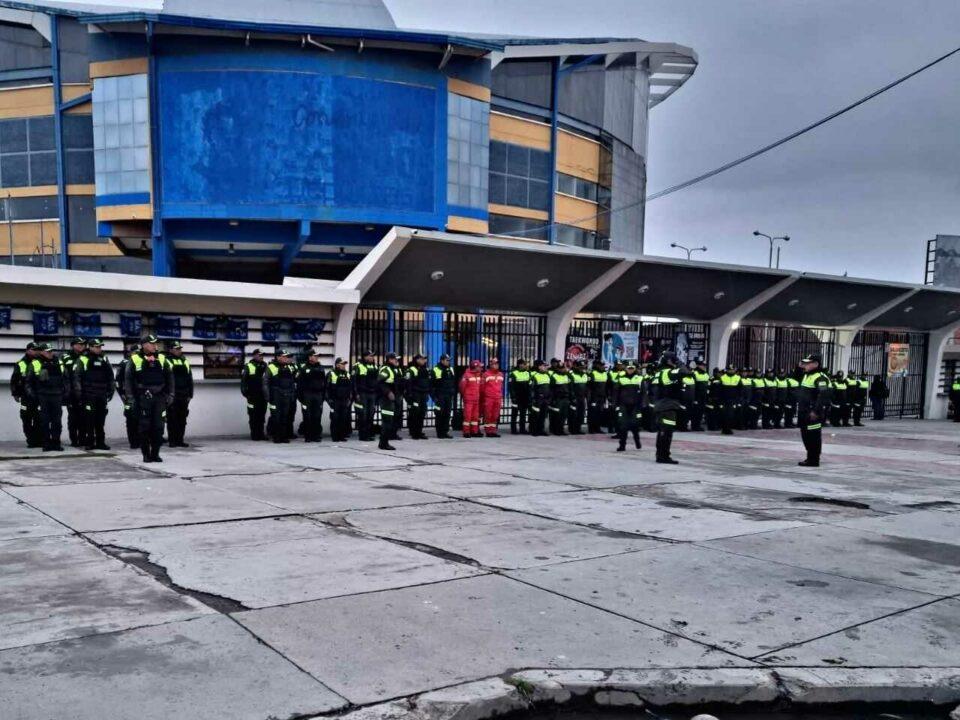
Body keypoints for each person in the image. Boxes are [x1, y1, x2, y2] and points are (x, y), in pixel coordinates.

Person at [125, 336, 174, 463]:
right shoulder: (135, 359)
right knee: (144, 428)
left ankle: (155, 454)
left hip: (159, 398)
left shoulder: (162, 358)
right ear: (144, 345)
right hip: (142, 398)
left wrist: (170, 395)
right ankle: (146, 454)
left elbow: (170, 378)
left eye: (155, 343)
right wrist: (130, 398)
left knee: (159, 427)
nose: (155, 346)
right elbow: (128, 380)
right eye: (152, 344)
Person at [27, 342, 69, 452]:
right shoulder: (35, 363)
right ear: (41, 352)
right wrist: (34, 396)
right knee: (44, 421)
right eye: (47, 351)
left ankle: (56, 443)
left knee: (57, 422)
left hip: (56, 395)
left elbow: (66, 379)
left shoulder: (59, 362)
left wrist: (65, 392)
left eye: (51, 351)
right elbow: (28, 382)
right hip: (43, 396)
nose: (50, 353)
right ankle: (46, 444)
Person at [74, 338, 114, 450]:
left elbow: (110, 376)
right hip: (89, 394)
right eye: (96, 347)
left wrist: (111, 390)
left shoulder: (104, 359)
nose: (99, 349)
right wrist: (79, 394)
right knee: (89, 420)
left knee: (101, 420)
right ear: (90, 347)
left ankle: (101, 442)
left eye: (100, 346)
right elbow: (77, 378)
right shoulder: (83, 359)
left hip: (102, 394)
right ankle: (90, 442)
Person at [796, 353, 832, 467]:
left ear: (816, 364)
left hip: (813, 414)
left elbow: (823, 395)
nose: (805, 365)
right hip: (804, 412)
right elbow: (796, 374)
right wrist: (800, 365)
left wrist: (815, 411)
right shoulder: (808, 375)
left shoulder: (820, 377)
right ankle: (810, 457)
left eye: (808, 363)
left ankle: (814, 459)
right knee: (806, 435)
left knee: (813, 436)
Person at [653, 352, 689, 464]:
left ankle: (660, 455)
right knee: (666, 432)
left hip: (662, 405)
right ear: (669, 361)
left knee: (663, 432)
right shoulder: (667, 373)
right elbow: (684, 371)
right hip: (667, 406)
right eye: (674, 360)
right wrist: (679, 363)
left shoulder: (660, 372)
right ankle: (663, 456)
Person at [11, 341, 41, 447]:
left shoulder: (40, 362)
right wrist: (15, 393)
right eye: (33, 349)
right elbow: (14, 379)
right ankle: (31, 440)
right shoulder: (21, 363)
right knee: (26, 418)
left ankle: (39, 440)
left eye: (37, 349)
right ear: (27, 350)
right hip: (25, 396)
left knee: (39, 418)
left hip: (38, 395)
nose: (36, 352)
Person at [264, 349, 297, 444]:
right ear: (278, 357)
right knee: (276, 417)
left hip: (286, 396)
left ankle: (283, 437)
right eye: (284, 356)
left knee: (284, 417)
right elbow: (265, 383)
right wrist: (268, 397)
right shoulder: (271, 367)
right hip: (275, 396)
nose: (286, 358)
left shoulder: (289, 367)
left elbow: (292, 382)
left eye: (287, 356)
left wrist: (292, 395)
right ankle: (276, 437)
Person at [165, 341, 193, 447]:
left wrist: (190, 394)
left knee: (182, 418)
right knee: (172, 418)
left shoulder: (184, 361)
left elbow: (189, 378)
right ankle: (172, 441)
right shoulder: (166, 361)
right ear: (171, 349)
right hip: (172, 395)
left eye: (180, 349)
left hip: (184, 394)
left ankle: (180, 440)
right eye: (177, 349)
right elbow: (166, 379)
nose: (179, 351)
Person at [62, 337, 87, 447]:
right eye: (78, 344)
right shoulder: (65, 357)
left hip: (85, 391)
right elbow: (63, 376)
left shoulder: (87, 357)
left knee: (84, 417)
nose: (81, 346)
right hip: (71, 393)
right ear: (73, 345)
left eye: (83, 344)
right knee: (73, 418)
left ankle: (83, 439)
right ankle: (74, 440)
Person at [613, 361, 644, 452]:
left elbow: (643, 393)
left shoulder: (639, 379)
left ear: (635, 369)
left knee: (635, 425)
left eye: (632, 368)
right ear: (625, 368)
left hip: (635, 406)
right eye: (628, 368)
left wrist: (642, 405)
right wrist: (615, 405)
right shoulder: (621, 379)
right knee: (623, 426)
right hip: (623, 405)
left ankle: (637, 440)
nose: (630, 370)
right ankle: (622, 445)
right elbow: (616, 393)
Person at [297, 348, 326, 442]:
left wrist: (323, 396)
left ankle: (316, 436)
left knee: (317, 416)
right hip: (307, 395)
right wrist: (301, 398)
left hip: (318, 395)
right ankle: (308, 436)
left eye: (317, 356)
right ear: (310, 357)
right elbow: (299, 384)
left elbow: (324, 383)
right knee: (307, 416)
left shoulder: (321, 367)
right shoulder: (304, 368)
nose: (317, 358)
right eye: (315, 356)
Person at [115, 344, 140, 449]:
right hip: (128, 396)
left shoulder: (143, 361)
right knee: (131, 419)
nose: (137, 354)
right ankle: (133, 442)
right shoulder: (124, 363)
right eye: (136, 352)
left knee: (142, 419)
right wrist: (122, 395)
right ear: (130, 352)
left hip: (141, 395)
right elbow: (117, 381)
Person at [240, 348, 268, 440]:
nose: (261, 357)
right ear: (254, 355)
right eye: (259, 355)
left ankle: (261, 434)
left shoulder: (265, 365)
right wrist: (246, 394)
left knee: (262, 415)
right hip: (252, 395)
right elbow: (243, 382)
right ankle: (255, 434)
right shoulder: (248, 366)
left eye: (262, 355)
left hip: (262, 395)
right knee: (253, 416)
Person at [352, 349, 379, 442]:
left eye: (372, 356)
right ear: (365, 357)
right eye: (370, 356)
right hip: (362, 394)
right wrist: (356, 394)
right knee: (363, 414)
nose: (372, 358)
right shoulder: (357, 366)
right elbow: (354, 381)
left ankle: (369, 434)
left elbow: (377, 381)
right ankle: (363, 435)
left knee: (370, 414)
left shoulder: (375, 367)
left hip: (372, 394)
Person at [326, 357, 354, 441]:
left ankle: (342, 436)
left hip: (344, 400)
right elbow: (326, 388)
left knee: (343, 418)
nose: (344, 366)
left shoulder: (347, 374)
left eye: (345, 364)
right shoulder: (331, 374)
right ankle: (335, 437)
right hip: (335, 400)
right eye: (342, 364)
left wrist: (350, 399)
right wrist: (329, 400)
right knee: (335, 418)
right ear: (337, 365)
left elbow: (351, 387)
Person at [377, 352, 401, 450]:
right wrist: (388, 392)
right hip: (386, 399)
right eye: (395, 359)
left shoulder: (393, 369)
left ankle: (385, 442)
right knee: (387, 421)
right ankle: (383, 444)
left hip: (392, 399)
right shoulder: (386, 369)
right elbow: (379, 382)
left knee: (390, 421)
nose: (397, 361)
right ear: (390, 359)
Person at [405, 353, 431, 440]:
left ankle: (419, 431)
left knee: (422, 413)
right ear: (417, 360)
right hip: (415, 394)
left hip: (423, 394)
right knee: (414, 413)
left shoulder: (425, 369)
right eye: (422, 359)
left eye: (424, 359)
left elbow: (428, 381)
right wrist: (410, 395)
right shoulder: (411, 369)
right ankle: (414, 432)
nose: (424, 361)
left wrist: (427, 392)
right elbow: (408, 383)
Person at [431, 354, 456, 439]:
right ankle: (440, 432)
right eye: (447, 360)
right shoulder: (436, 369)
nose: (448, 362)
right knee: (439, 414)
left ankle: (445, 431)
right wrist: (434, 397)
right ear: (442, 360)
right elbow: (432, 385)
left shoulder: (451, 369)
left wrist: (453, 391)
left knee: (447, 414)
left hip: (448, 395)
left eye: (449, 360)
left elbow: (453, 381)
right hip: (440, 395)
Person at [459, 359, 484, 438]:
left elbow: (480, 386)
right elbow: (462, 387)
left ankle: (474, 431)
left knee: (475, 416)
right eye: (479, 366)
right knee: (468, 416)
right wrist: (465, 395)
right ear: (475, 367)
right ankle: (466, 432)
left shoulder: (478, 375)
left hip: (476, 398)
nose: (481, 368)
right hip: (469, 398)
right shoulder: (466, 375)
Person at [481, 357, 504, 438]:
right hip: (489, 397)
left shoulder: (501, 374)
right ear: (490, 365)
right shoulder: (486, 374)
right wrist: (485, 396)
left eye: (497, 364)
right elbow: (482, 387)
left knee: (495, 415)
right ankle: (488, 431)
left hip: (497, 397)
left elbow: (501, 386)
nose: (496, 365)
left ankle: (493, 430)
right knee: (488, 414)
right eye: (494, 364)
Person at [508, 358, 531, 435]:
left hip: (525, 397)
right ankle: (513, 429)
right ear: (519, 364)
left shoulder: (528, 373)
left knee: (523, 414)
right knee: (514, 414)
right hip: (516, 397)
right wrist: (513, 397)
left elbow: (529, 385)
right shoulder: (513, 373)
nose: (525, 365)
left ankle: (522, 429)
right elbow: (511, 387)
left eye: (525, 364)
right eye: (524, 364)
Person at [529, 359, 552, 436]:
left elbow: (550, 387)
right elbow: (531, 389)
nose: (545, 367)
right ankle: (534, 430)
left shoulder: (547, 375)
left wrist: (549, 397)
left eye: (545, 366)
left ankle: (541, 429)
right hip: (538, 399)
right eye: (543, 366)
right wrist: (534, 398)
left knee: (543, 415)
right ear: (539, 367)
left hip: (545, 399)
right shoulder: (534, 376)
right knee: (535, 415)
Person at [718, 364, 742, 435]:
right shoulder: (722, 377)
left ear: (734, 370)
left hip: (733, 400)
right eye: (729, 369)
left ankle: (728, 429)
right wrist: (720, 402)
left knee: (731, 415)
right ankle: (724, 429)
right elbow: (719, 390)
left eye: (732, 369)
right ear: (727, 370)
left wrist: (738, 401)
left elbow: (740, 390)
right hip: (724, 400)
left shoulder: (738, 378)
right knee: (724, 415)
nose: (731, 371)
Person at [587, 359, 609, 434]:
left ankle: (598, 428)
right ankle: (591, 429)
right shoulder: (592, 373)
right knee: (593, 413)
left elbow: (607, 386)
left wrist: (606, 396)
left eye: (603, 365)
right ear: (596, 365)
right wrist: (590, 397)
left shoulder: (605, 373)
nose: (603, 367)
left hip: (602, 397)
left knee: (600, 412)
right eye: (601, 365)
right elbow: (589, 387)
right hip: (594, 397)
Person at [549, 363, 571, 435]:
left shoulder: (566, 376)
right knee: (556, 416)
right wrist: (553, 400)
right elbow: (551, 389)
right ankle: (555, 430)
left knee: (563, 415)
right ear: (557, 369)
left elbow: (569, 387)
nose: (563, 369)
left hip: (565, 399)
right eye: (561, 368)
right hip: (558, 399)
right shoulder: (554, 376)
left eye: (563, 368)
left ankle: (561, 429)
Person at [690, 359, 710, 432]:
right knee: (695, 411)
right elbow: (693, 386)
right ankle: (694, 426)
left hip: (703, 396)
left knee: (701, 411)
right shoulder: (694, 373)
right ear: (698, 365)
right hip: (697, 396)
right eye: (702, 365)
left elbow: (707, 385)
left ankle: (698, 425)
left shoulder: (706, 374)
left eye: (704, 365)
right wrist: (694, 398)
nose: (704, 367)